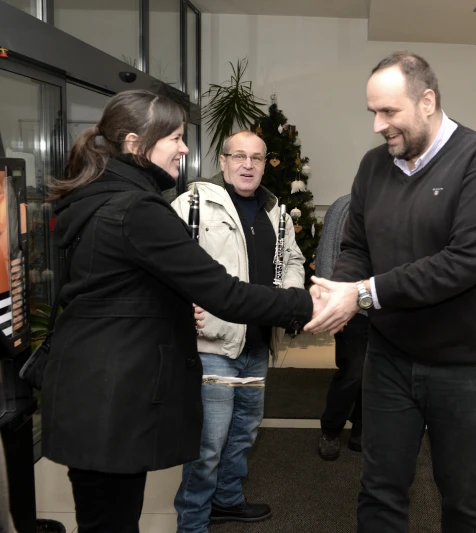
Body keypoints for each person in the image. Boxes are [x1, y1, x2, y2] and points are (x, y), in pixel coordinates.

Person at [40, 89, 322, 533]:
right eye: (174, 137)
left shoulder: (102, 196)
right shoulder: (138, 209)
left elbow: (112, 289)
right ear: (136, 144)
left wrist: (170, 306)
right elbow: (223, 292)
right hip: (109, 399)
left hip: (91, 391)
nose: (185, 148)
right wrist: (309, 305)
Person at [305, 52, 476, 532]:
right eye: (373, 113)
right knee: (380, 490)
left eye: (389, 112)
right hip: (390, 356)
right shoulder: (373, 167)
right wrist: (339, 288)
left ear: (427, 101)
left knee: (463, 496)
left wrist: (361, 294)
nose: (378, 125)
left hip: (465, 364)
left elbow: (463, 263)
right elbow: (357, 245)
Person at [169, 130, 305, 530]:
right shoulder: (192, 204)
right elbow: (165, 262)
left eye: (257, 158)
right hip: (213, 345)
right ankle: (192, 522)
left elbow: (293, 259)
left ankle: (227, 499)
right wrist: (180, 303)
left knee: (244, 433)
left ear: (265, 164)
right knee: (207, 445)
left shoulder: (276, 213)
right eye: (239, 156)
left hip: (258, 344)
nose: (248, 165)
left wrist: (290, 296)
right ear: (224, 161)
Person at [315, 193, 369, 461]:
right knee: (353, 372)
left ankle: (361, 429)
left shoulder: (402, 204)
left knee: (377, 374)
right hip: (352, 307)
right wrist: (330, 303)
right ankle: (330, 430)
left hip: (389, 308)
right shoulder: (345, 205)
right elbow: (327, 254)